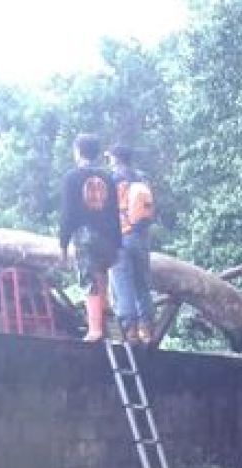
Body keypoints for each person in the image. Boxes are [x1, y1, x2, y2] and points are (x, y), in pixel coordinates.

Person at [58, 133, 121, 342]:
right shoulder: (109, 177)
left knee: (89, 279)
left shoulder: (72, 177)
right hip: (108, 236)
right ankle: (108, 323)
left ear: (77, 151)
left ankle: (95, 329)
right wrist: (118, 242)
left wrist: (64, 244)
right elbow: (114, 210)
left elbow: (68, 213)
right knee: (102, 277)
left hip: (86, 235)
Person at [108, 145, 156, 344]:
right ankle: (147, 328)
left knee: (122, 285)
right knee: (142, 284)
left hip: (120, 238)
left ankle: (130, 332)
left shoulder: (112, 180)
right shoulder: (142, 178)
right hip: (141, 237)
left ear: (115, 158)